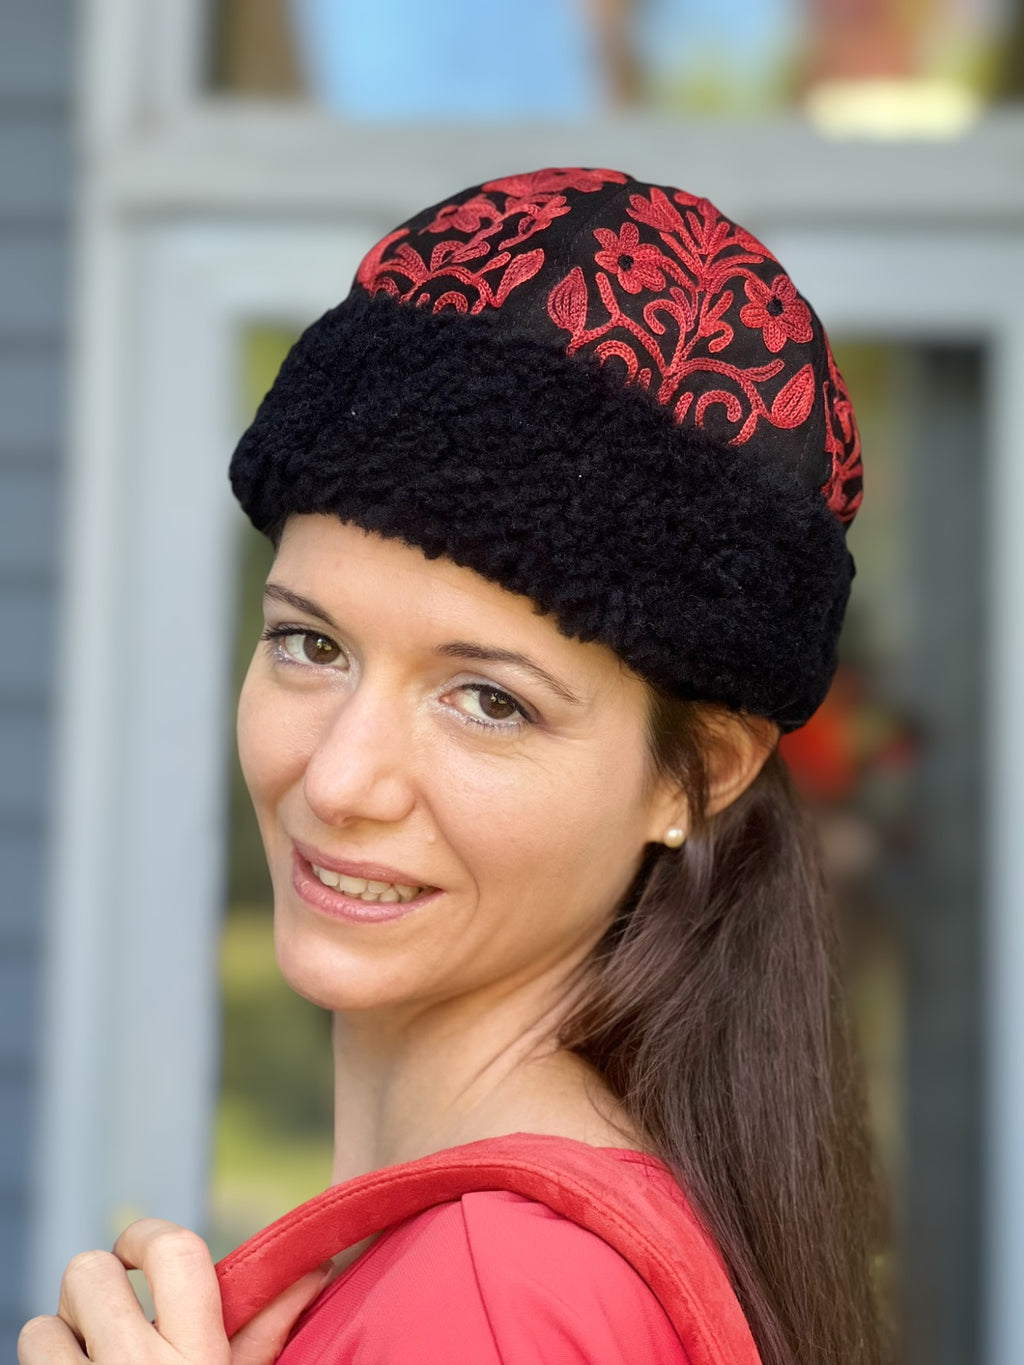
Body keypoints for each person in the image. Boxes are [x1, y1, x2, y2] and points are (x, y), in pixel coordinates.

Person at [19, 167, 883, 1364]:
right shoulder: (534, 1254)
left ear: (693, 778)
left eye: (487, 701)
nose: (338, 780)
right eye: (309, 644)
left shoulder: (491, 1298)